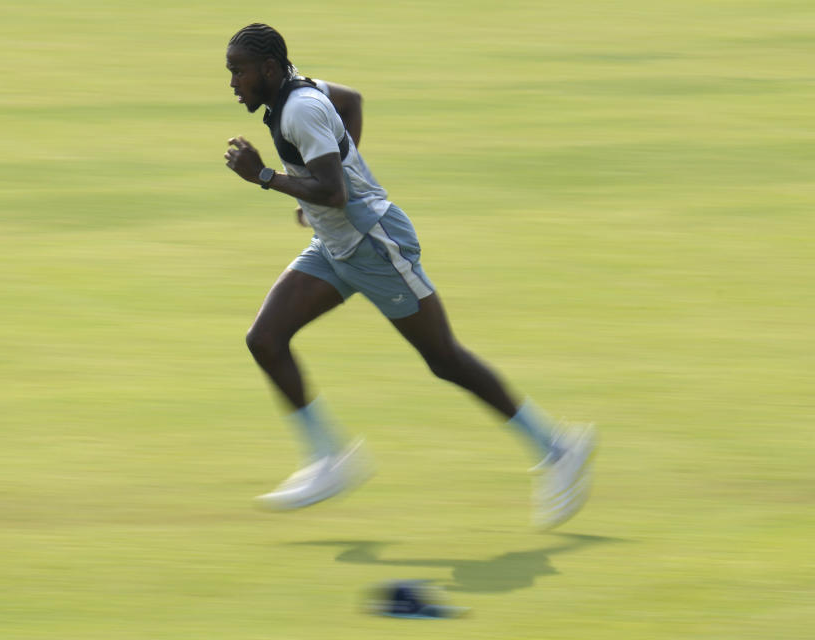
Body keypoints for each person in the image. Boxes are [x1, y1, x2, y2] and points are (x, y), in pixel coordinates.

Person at [223, 23, 595, 529]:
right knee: (265, 339)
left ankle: (558, 449)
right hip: (335, 246)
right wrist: (320, 183)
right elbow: (351, 103)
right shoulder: (300, 88)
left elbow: (334, 193)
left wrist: (266, 177)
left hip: (376, 245)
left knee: (444, 358)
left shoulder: (301, 109)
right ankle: (329, 460)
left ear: (268, 69)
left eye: (238, 72)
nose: (232, 84)